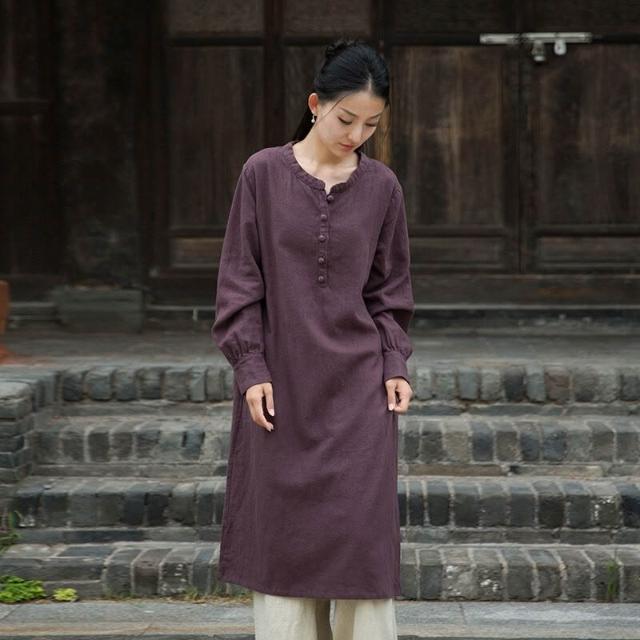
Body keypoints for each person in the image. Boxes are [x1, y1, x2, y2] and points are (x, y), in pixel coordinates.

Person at [211, 37, 414, 640]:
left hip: (360, 394)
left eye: (371, 125)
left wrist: (395, 362)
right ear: (315, 104)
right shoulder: (262, 174)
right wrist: (250, 368)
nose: (357, 134)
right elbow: (239, 283)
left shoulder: (383, 188)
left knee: (361, 547)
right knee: (283, 546)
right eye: (346, 119)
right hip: (280, 390)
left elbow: (389, 292)